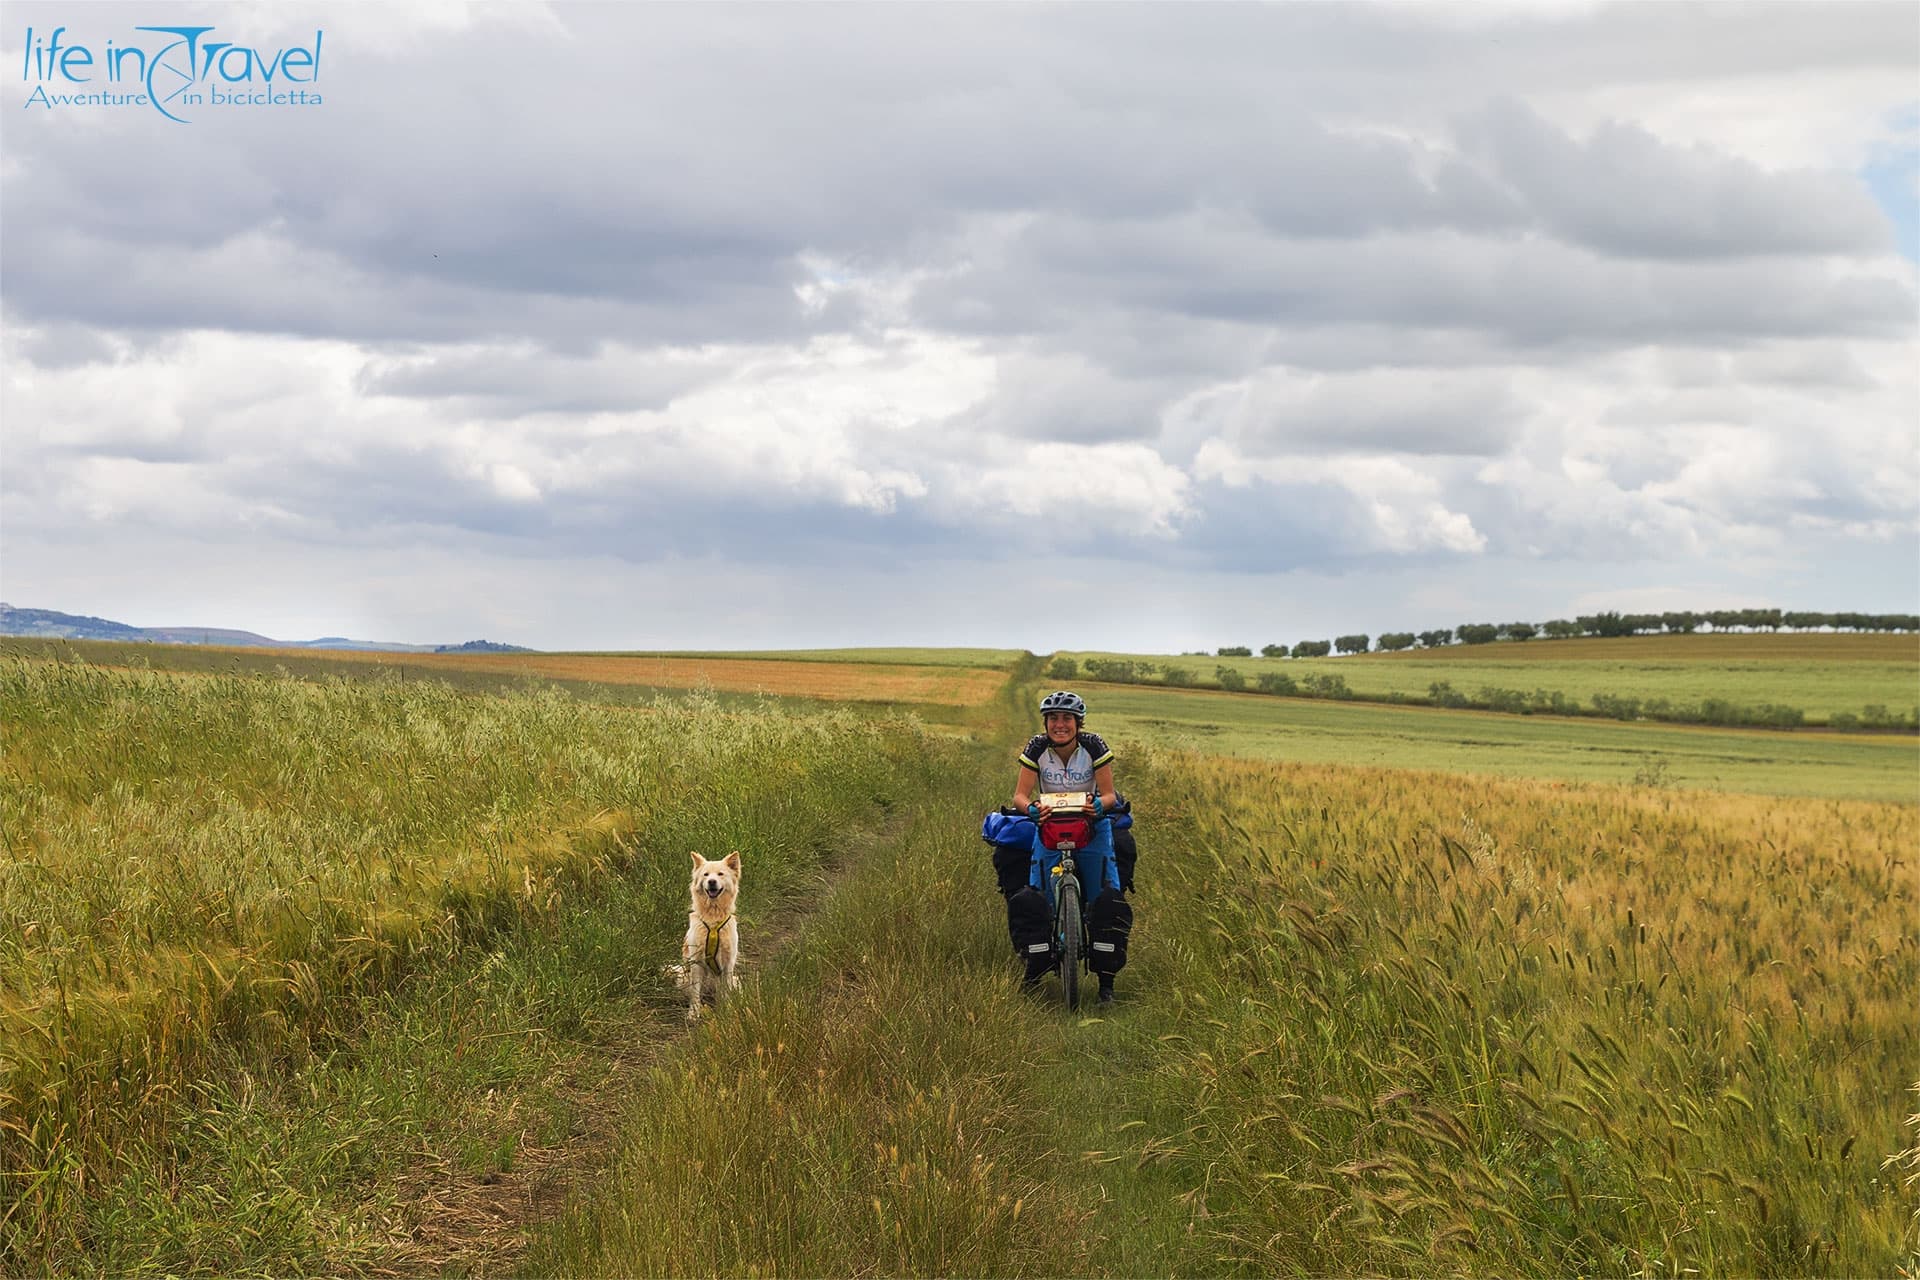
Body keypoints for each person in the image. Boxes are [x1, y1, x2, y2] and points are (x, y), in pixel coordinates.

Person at [1002, 690, 1135, 1003]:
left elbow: (1109, 795)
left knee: (1106, 900)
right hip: (1049, 827)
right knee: (1037, 900)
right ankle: (1034, 967)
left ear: (1078, 722)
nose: (1059, 724)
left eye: (1066, 718)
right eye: (1053, 718)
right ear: (1046, 722)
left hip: (1092, 828)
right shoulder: (1037, 747)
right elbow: (1019, 796)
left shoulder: (1093, 746)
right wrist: (1031, 809)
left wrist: (1099, 808)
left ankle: (1106, 983)